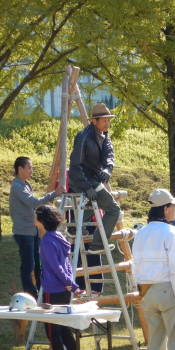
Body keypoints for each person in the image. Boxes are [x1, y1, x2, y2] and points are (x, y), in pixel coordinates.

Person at [131, 188, 175, 350]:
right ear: (165, 209)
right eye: (172, 206)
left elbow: (135, 266)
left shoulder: (140, 234)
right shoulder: (172, 233)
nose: (174, 209)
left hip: (147, 292)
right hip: (168, 292)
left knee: (155, 346)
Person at [34, 204, 87, 350]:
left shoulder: (47, 240)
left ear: (42, 220)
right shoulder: (58, 237)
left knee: (52, 330)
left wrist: (69, 283)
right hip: (63, 290)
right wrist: (69, 283)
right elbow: (66, 265)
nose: (33, 217)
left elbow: (56, 266)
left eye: (36, 215)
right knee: (63, 327)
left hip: (53, 290)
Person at [9, 156, 66, 300]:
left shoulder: (25, 184)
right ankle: (31, 294)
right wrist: (54, 193)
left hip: (32, 230)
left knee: (38, 263)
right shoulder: (16, 186)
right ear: (20, 169)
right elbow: (34, 203)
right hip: (23, 231)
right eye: (29, 168)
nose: (31, 171)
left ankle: (42, 290)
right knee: (28, 265)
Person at [68, 103, 120, 253]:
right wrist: (87, 186)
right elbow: (75, 167)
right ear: (94, 121)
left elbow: (109, 155)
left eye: (109, 120)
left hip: (93, 179)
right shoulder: (83, 137)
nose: (107, 124)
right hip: (81, 179)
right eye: (104, 120)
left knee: (96, 201)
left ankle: (73, 226)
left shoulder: (105, 136)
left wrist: (108, 169)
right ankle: (98, 243)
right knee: (113, 209)